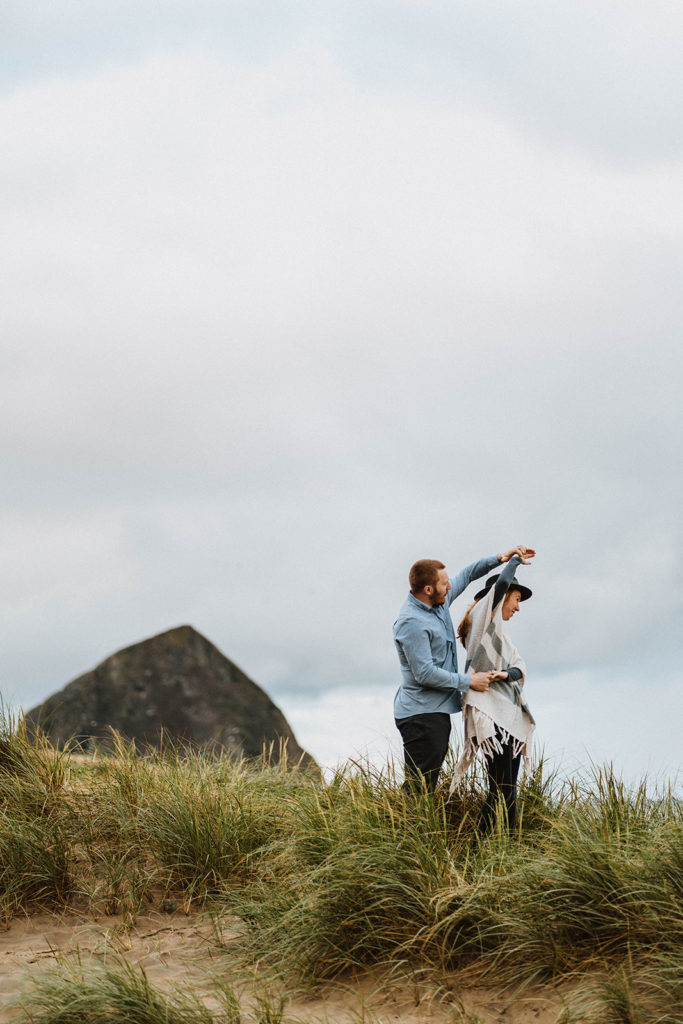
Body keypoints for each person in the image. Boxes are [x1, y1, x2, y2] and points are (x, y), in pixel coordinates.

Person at [393, 546, 533, 793]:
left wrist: (499, 559)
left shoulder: (438, 604)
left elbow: (467, 575)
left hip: (435, 711)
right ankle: (400, 830)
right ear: (428, 590)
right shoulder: (411, 623)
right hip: (420, 715)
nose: (450, 587)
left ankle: (410, 827)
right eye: (444, 584)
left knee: (425, 785)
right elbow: (424, 673)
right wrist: (470, 682)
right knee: (419, 787)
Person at [449, 551, 535, 832]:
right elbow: (498, 589)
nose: (518, 608)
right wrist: (514, 562)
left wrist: (506, 674)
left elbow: (521, 668)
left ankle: (506, 846)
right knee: (501, 790)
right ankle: (483, 845)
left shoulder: (502, 637)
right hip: (490, 716)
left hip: (507, 718)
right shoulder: (482, 619)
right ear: (503, 596)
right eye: (517, 599)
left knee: (507, 790)